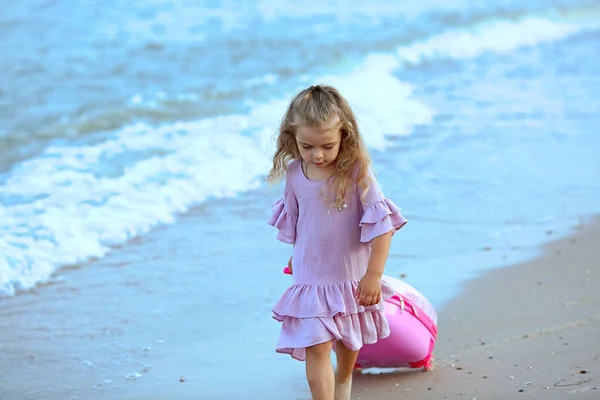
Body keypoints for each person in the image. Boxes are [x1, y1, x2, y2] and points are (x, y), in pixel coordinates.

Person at [267, 84, 407, 400]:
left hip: (350, 273)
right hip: (310, 275)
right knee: (316, 345)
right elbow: (298, 219)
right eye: (307, 146)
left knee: (348, 338)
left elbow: (382, 227)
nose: (317, 155)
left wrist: (372, 275)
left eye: (327, 146)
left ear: (344, 134)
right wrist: (295, 255)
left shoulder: (357, 170)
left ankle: (343, 382)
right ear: (293, 137)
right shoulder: (293, 172)